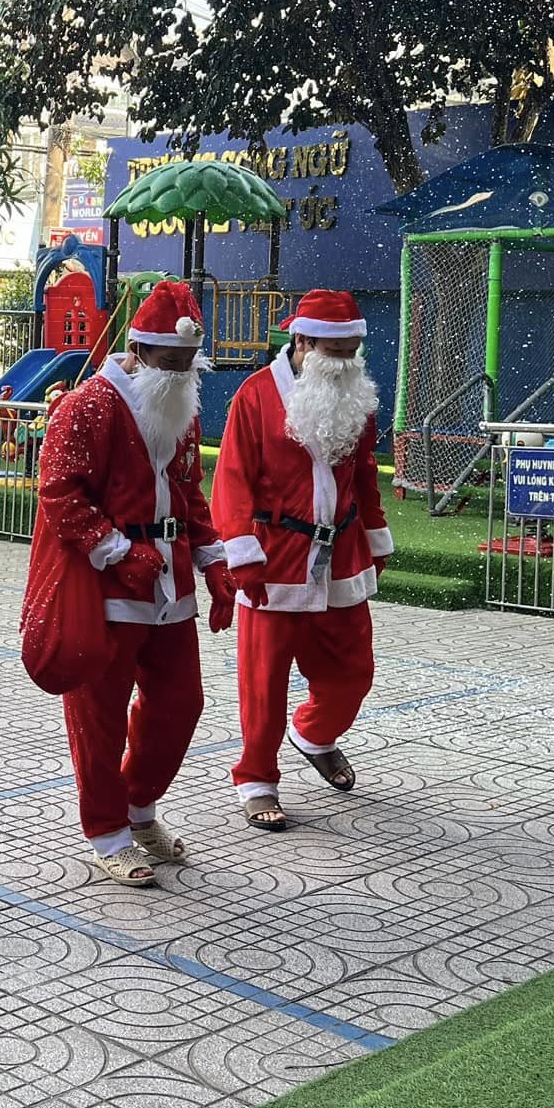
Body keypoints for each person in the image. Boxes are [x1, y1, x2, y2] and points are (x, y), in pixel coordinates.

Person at [26, 281, 235, 886]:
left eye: (189, 362)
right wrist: (116, 551)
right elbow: (59, 494)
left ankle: (139, 807)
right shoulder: (88, 406)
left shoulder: (178, 403)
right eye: (170, 361)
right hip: (107, 588)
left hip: (170, 583)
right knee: (99, 716)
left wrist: (214, 562)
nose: (181, 372)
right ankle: (108, 831)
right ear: (139, 352)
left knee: (181, 704)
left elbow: (189, 490)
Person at [211, 289, 393, 830]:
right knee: (264, 682)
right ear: (304, 342)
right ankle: (256, 780)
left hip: (342, 554)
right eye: (337, 351)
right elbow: (232, 478)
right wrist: (240, 554)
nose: (348, 362)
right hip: (274, 557)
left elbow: (363, 473)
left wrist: (376, 537)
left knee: (353, 673)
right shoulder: (255, 395)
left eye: (353, 350)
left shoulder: (356, 395)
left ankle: (314, 734)